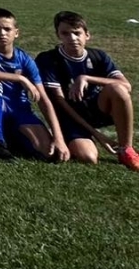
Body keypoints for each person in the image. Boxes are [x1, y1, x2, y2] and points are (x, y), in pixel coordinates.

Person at [35, 10, 138, 169]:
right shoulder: (48, 59)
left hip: (95, 108)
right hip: (69, 115)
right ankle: (78, 138)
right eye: (65, 33)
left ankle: (126, 150)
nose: (72, 38)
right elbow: (60, 102)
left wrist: (86, 78)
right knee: (88, 157)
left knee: (118, 89)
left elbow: (126, 85)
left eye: (77, 33)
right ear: (58, 35)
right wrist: (97, 135)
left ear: (87, 35)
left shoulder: (98, 56)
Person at [0, 8, 67, 161]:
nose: (2, 33)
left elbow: (44, 99)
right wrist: (20, 79)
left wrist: (59, 138)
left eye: (7, 29)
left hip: (20, 110)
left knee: (48, 152)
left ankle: (2, 132)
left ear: (16, 32)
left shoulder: (25, 60)